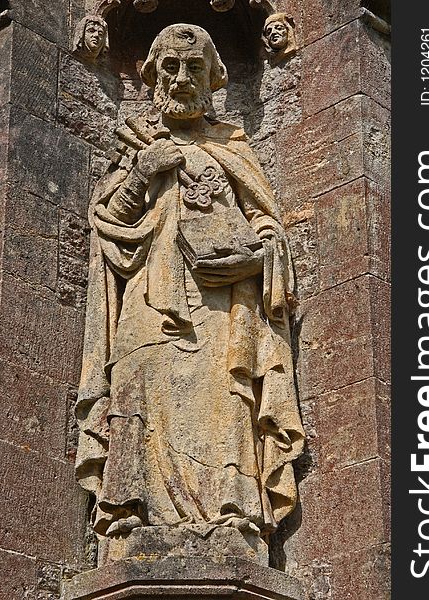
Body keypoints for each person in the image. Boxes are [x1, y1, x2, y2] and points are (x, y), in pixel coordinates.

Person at [75, 23, 304, 542]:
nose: (181, 79)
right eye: (172, 68)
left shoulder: (232, 147)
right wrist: (141, 172)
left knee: (226, 397)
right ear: (154, 73)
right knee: (137, 387)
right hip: (148, 300)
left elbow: (267, 225)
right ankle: (129, 518)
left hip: (221, 306)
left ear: (213, 78)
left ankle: (233, 515)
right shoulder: (137, 144)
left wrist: (254, 262)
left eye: (194, 67)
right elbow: (110, 229)